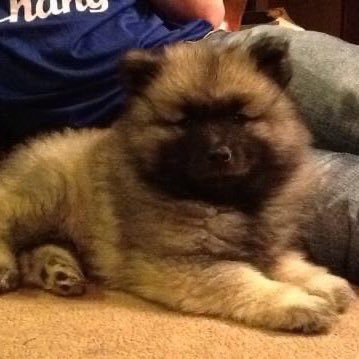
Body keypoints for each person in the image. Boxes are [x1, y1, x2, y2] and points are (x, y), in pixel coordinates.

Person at [1, 0, 359, 282]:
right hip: (139, 133)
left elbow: (207, 11)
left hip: (211, 53)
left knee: (349, 88)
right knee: (345, 199)